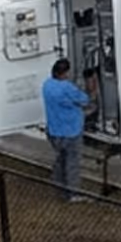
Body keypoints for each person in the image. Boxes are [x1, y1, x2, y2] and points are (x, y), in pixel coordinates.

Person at [42, 59, 96, 203]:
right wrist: (91, 85)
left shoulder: (47, 84)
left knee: (61, 158)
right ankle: (73, 193)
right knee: (72, 162)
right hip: (70, 131)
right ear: (66, 72)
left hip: (54, 130)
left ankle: (58, 184)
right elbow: (86, 100)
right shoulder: (67, 88)